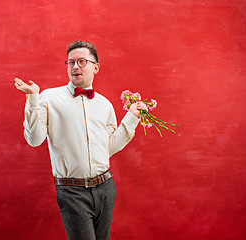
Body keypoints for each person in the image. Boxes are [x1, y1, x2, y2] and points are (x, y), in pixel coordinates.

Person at [14, 40, 147, 240]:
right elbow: (34, 139)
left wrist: (132, 117)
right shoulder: (49, 97)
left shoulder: (104, 104)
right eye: (70, 62)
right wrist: (32, 99)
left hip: (106, 187)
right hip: (71, 191)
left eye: (82, 61)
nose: (75, 66)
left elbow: (107, 148)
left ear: (96, 67)